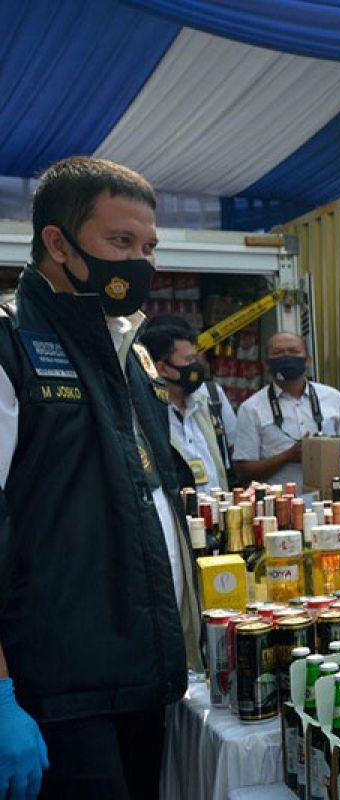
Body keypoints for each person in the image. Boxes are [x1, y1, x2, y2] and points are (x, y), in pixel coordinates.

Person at [0, 156, 201, 798]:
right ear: (57, 242)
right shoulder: (10, 347)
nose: (140, 264)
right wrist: (0, 692)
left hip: (144, 677)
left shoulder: (133, 356)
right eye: (121, 242)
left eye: (148, 247)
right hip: (57, 694)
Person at [233, 331, 340, 487]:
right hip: (278, 504)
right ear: (266, 364)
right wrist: (286, 457)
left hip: (329, 500)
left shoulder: (333, 398)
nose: (286, 357)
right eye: (278, 353)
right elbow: (243, 469)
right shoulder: (251, 408)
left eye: (294, 351)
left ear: (308, 360)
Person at [140, 317, 229, 494]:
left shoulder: (204, 402)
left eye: (196, 358)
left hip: (215, 514)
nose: (196, 366)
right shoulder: (147, 414)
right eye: (189, 360)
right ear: (162, 368)